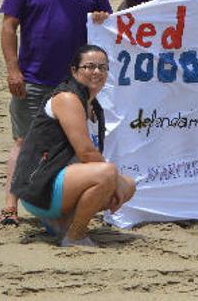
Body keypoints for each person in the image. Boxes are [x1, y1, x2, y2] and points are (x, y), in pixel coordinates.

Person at [0, 0, 112, 226]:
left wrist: (102, 17)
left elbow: (108, 25)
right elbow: (9, 27)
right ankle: (11, 206)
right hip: (33, 80)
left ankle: (61, 202)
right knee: (25, 142)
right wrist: (13, 70)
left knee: (73, 144)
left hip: (76, 84)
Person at [11, 45, 136, 247]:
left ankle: (62, 222)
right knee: (107, 174)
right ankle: (75, 235)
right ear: (74, 71)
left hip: (63, 181)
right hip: (40, 186)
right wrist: (115, 179)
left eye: (103, 68)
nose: (97, 72)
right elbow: (86, 152)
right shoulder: (67, 98)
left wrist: (119, 182)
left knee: (129, 185)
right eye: (89, 66)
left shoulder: (94, 106)